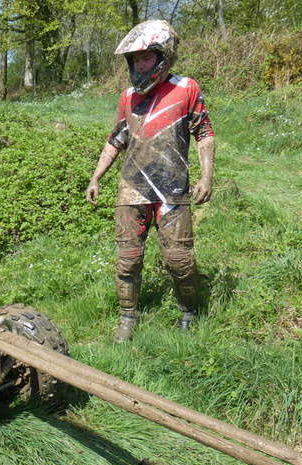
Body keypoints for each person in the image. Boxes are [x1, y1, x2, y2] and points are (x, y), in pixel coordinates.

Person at [85, 20, 215, 342]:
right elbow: (116, 138)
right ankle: (127, 318)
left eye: (146, 57)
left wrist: (207, 176)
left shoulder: (186, 88)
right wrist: (96, 177)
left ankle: (189, 311)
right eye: (135, 58)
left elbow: (204, 133)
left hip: (173, 190)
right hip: (132, 188)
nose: (140, 64)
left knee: (179, 260)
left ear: (162, 56)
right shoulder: (128, 96)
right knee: (127, 261)